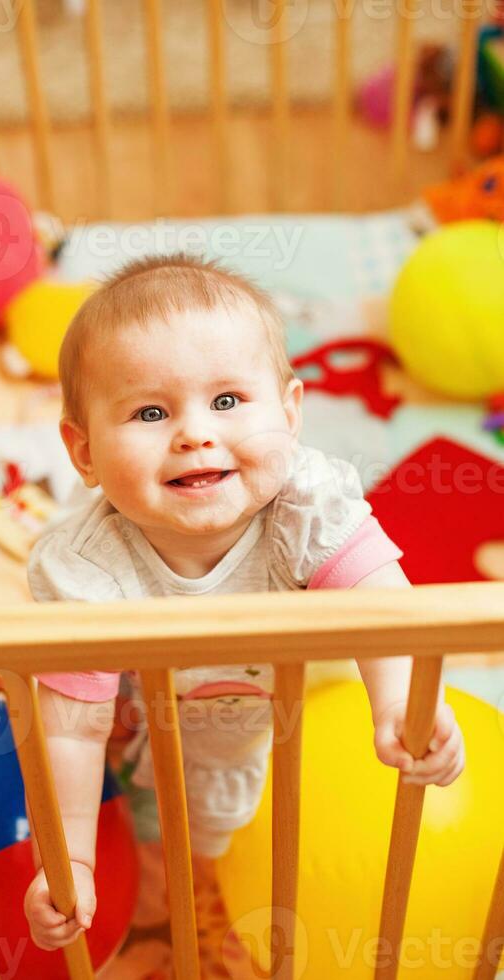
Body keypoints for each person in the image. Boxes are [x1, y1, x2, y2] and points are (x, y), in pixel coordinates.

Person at [23, 252, 465, 950]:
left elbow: (382, 605)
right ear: (83, 453)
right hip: (140, 724)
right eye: (149, 411)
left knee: (232, 822)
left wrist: (404, 705)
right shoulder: (85, 570)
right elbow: (69, 732)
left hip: (277, 704)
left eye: (227, 401)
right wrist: (69, 856)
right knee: (148, 827)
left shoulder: (306, 506)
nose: (196, 433)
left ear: (290, 415)